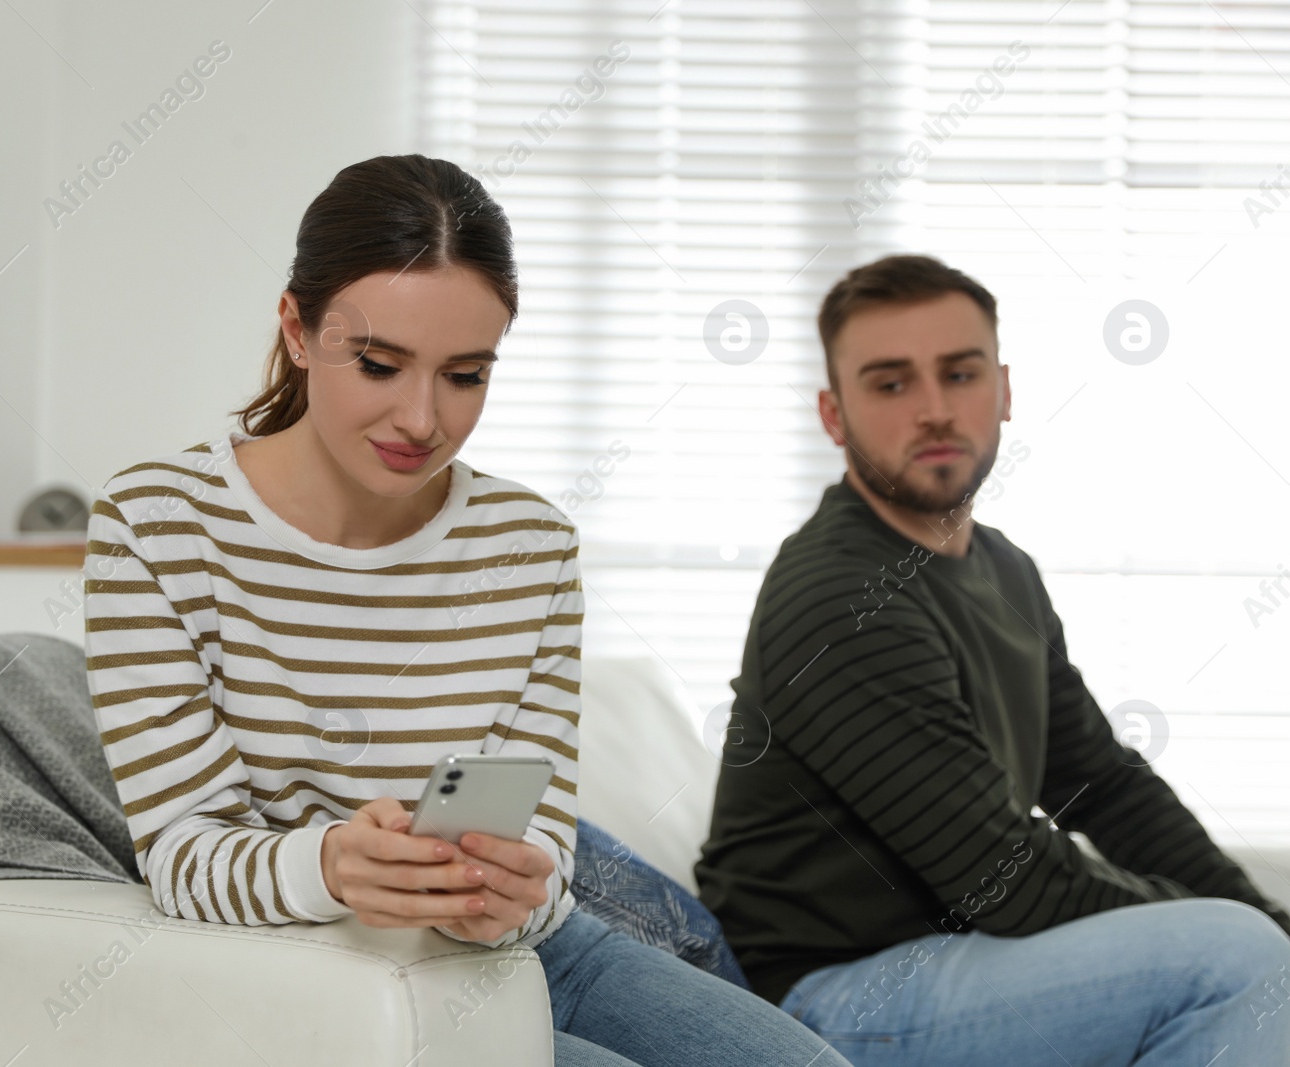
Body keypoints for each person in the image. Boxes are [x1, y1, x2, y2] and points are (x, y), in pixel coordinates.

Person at [80, 153, 853, 1067]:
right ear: (296, 328)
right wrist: (329, 863)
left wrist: (518, 885)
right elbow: (179, 852)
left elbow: (545, 838)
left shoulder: (530, 544)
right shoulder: (155, 524)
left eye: (466, 375)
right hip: (300, 966)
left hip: (517, 953)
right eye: (379, 363)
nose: (421, 419)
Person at [694, 252, 1290, 1067]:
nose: (933, 409)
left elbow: (1106, 784)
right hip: (831, 994)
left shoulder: (1004, 569)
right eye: (891, 384)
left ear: (1003, 390)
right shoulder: (840, 594)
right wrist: (1254, 943)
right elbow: (1003, 878)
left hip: (976, 966)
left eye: (959, 374)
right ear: (834, 414)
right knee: (1235, 960)